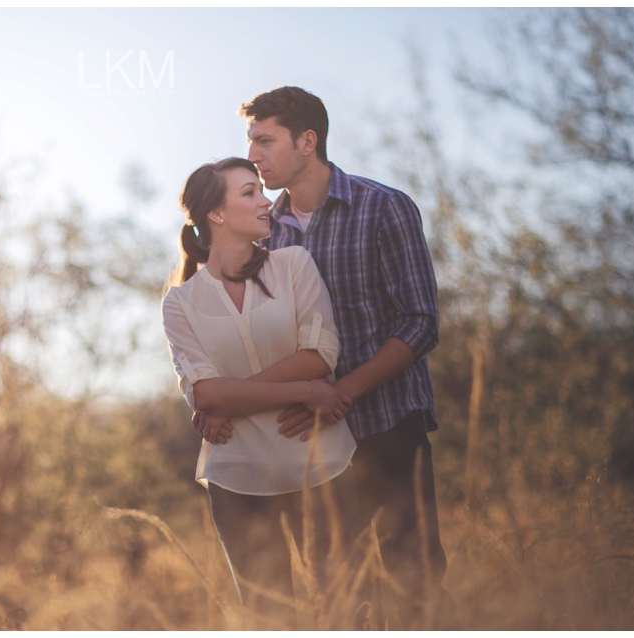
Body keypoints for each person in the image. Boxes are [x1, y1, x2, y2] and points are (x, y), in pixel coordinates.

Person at [229, 86, 459, 630]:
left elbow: (421, 322)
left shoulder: (385, 207)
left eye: (265, 140)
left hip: (389, 424)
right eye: (250, 142)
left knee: (414, 581)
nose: (253, 155)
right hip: (310, 446)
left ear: (307, 142)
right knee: (337, 592)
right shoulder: (266, 232)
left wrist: (341, 393)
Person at [161, 157, 361, 630]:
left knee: (347, 613)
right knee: (271, 621)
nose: (265, 200)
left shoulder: (294, 264)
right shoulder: (180, 302)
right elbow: (205, 396)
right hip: (238, 483)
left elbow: (320, 356)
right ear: (216, 213)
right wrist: (303, 391)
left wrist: (232, 396)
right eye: (249, 192)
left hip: (322, 468)